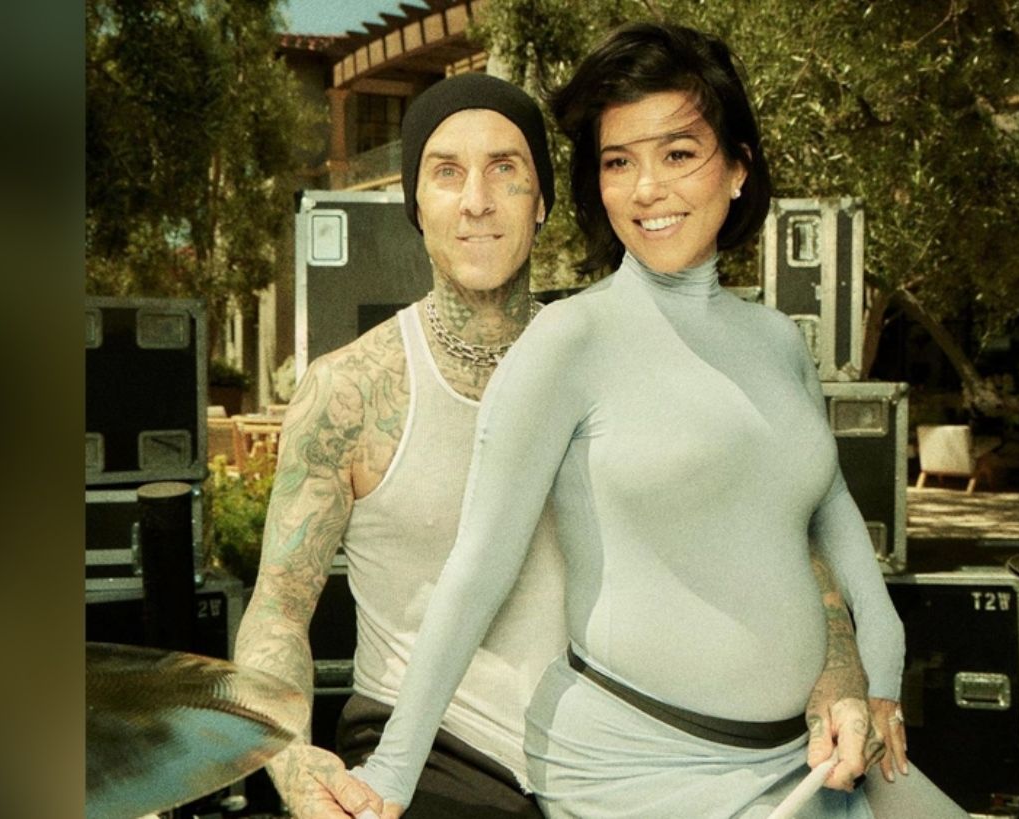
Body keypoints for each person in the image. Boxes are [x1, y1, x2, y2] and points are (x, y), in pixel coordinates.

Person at [351, 24, 966, 819]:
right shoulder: (568, 342)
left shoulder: (779, 342)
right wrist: (391, 772)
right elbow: (477, 571)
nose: (647, 188)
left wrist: (879, 677)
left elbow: (836, 526)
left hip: (808, 756)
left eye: (678, 153)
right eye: (619, 162)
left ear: (738, 167)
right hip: (634, 770)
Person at [234, 71, 887, 819]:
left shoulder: (624, 347)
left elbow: (783, 528)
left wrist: (839, 668)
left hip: (631, 753)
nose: (476, 200)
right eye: (446, 173)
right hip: (440, 755)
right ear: (415, 203)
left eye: (504, 169)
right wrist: (288, 757)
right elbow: (278, 610)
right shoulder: (348, 391)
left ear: (542, 200)